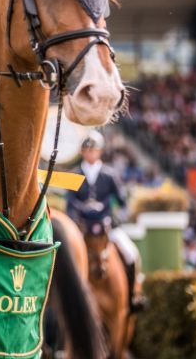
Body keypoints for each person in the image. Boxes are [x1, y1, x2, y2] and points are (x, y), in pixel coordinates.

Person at [66, 131, 146, 312]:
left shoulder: (110, 175)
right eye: (87, 150)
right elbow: (70, 203)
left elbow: (122, 202)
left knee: (131, 254)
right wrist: (80, 211)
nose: (90, 153)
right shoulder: (75, 175)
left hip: (107, 226)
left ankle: (134, 296)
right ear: (82, 153)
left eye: (93, 150)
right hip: (83, 228)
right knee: (63, 255)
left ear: (99, 151)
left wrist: (111, 214)